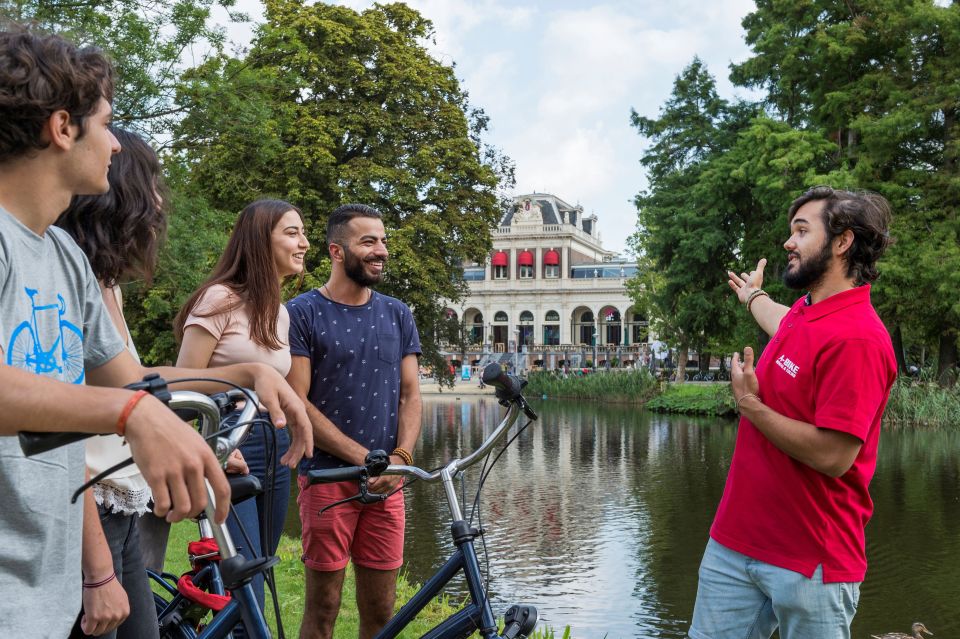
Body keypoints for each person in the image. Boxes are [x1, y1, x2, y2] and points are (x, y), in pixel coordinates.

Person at [0, 27, 311, 637]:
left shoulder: (64, 255)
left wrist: (241, 376)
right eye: (107, 123)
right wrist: (134, 416)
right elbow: (127, 402)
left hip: (46, 580)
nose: (117, 146)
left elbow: (134, 382)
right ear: (63, 128)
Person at [688, 186, 897, 639]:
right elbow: (781, 319)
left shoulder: (859, 338)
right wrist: (751, 297)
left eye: (802, 231)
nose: (789, 242)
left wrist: (749, 405)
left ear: (842, 242)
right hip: (733, 544)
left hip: (811, 565)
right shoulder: (809, 312)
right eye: (791, 231)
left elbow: (833, 455)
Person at [286, 203, 422, 639]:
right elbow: (297, 400)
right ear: (336, 251)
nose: (381, 250)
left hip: (387, 483)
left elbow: (411, 394)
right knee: (323, 608)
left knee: (383, 614)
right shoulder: (301, 313)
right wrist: (366, 459)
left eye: (382, 241)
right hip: (328, 479)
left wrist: (400, 458)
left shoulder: (398, 313)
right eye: (369, 242)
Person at [174, 199, 310, 624]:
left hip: (273, 446)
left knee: (261, 573)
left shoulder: (281, 314)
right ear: (258, 239)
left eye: (303, 232)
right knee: (241, 587)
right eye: (292, 232)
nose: (304, 242)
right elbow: (179, 385)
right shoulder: (219, 299)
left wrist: (298, 423)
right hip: (230, 445)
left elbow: (276, 385)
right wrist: (212, 443)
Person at [56, 127, 168, 639]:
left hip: (114, 505)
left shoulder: (101, 282)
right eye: (154, 183)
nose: (161, 200)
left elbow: (133, 384)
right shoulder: (56, 271)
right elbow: (50, 431)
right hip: (82, 511)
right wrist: (96, 569)